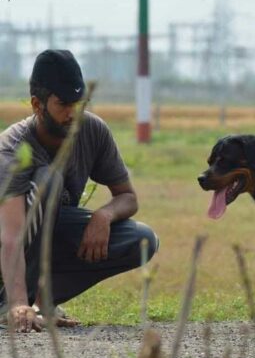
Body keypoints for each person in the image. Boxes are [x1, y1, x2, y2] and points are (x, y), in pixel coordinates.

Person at [0, 50, 159, 332]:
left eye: (80, 102)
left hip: (47, 235)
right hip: (8, 246)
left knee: (142, 239)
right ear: (38, 104)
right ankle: (12, 304)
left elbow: (128, 197)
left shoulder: (93, 130)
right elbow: (11, 237)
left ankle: (42, 304)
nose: (74, 112)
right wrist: (17, 302)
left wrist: (104, 215)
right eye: (63, 104)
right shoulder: (14, 149)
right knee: (48, 180)